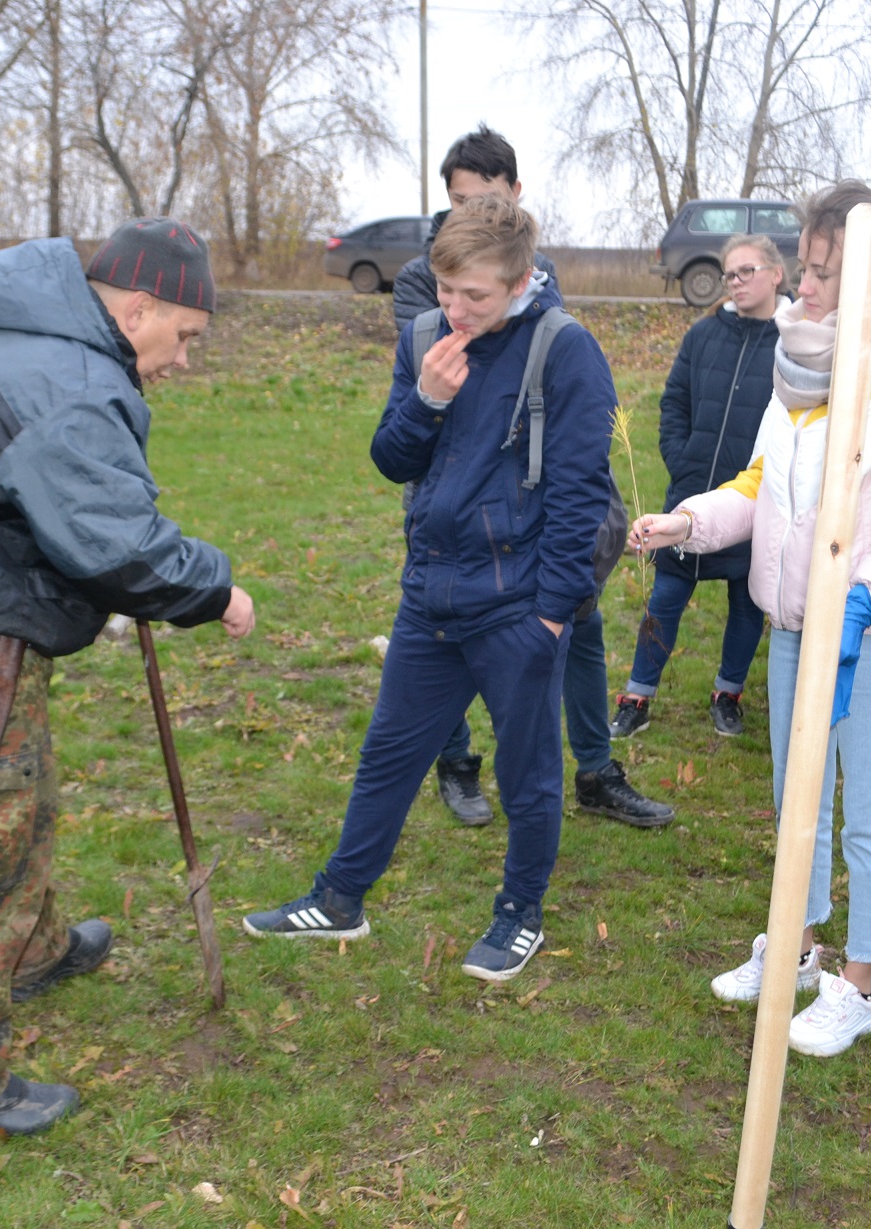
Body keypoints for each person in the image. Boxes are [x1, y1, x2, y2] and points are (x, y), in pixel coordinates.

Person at [0, 218, 255, 1136]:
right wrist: (214, 586)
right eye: (184, 336)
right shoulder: (63, 378)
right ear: (139, 306)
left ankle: (32, 951)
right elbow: (117, 549)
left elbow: (79, 502)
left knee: (21, 801)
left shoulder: (46, 335)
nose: (183, 359)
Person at [631, 181, 871, 1056]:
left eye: (824, 272)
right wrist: (688, 521)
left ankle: (861, 981)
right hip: (792, 628)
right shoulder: (801, 359)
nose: (805, 287)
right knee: (796, 799)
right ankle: (799, 945)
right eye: (807, 267)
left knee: (868, 809)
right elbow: (759, 485)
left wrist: (867, 599)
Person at [244, 195, 617, 982]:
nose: (455, 309)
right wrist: (428, 400)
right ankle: (341, 896)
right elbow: (391, 458)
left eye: (473, 296)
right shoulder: (424, 338)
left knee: (527, 773)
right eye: (446, 291)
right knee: (388, 753)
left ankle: (520, 912)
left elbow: (582, 496)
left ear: (519, 281)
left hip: (518, 609)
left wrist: (552, 616)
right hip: (431, 597)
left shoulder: (565, 350)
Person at [393, 125, 670, 830]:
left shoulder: (538, 274)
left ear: (515, 196)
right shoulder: (424, 280)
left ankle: (596, 769)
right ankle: (456, 763)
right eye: (457, 201)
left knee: (575, 621)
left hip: (540, 494)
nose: (471, 215)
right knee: (443, 635)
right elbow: (442, 386)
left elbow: (551, 365)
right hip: (452, 498)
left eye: (484, 199)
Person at [608, 234, 782, 741]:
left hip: (752, 500)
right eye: (730, 274)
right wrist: (682, 463)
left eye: (748, 271)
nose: (737, 282)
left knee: (747, 605)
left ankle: (728, 694)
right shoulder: (703, 335)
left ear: (776, 274)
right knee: (663, 597)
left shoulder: (794, 343)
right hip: (690, 497)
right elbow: (673, 403)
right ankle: (637, 695)